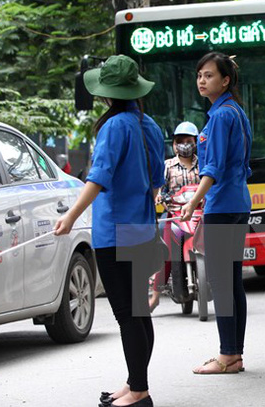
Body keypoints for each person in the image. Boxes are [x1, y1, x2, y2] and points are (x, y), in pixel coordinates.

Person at [54, 55, 163, 407]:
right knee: (138, 312)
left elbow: (98, 179)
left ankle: (139, 392)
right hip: (143, 229)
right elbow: (157, 182)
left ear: (106, 93)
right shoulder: (149, 125)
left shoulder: (114, 127)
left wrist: (70, 217)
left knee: (128, 315)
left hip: (115, 232)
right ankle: (134, 382)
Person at [181, 52, 253, 373]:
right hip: (237, 203)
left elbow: (214, 167)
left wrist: (194, 201)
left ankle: (227, 356)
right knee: (232, 281)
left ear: (225, 80)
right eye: (199, 75)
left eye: (209, 75)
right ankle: (233, 354)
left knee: (222, 282)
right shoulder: (234, 112)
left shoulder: (222, 116)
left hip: (223, 206)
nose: (202, 80)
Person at [149, 121, 199, 312]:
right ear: (174, 144)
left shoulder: (203, 165)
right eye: (180, 141)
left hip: (199, 214)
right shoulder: (167, 166)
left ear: (196, 142)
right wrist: (160, 195)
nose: (185, 144)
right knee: (168, 254)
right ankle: (155, 296)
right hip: (175, 216)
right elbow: (160, 187)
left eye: (188, 140)